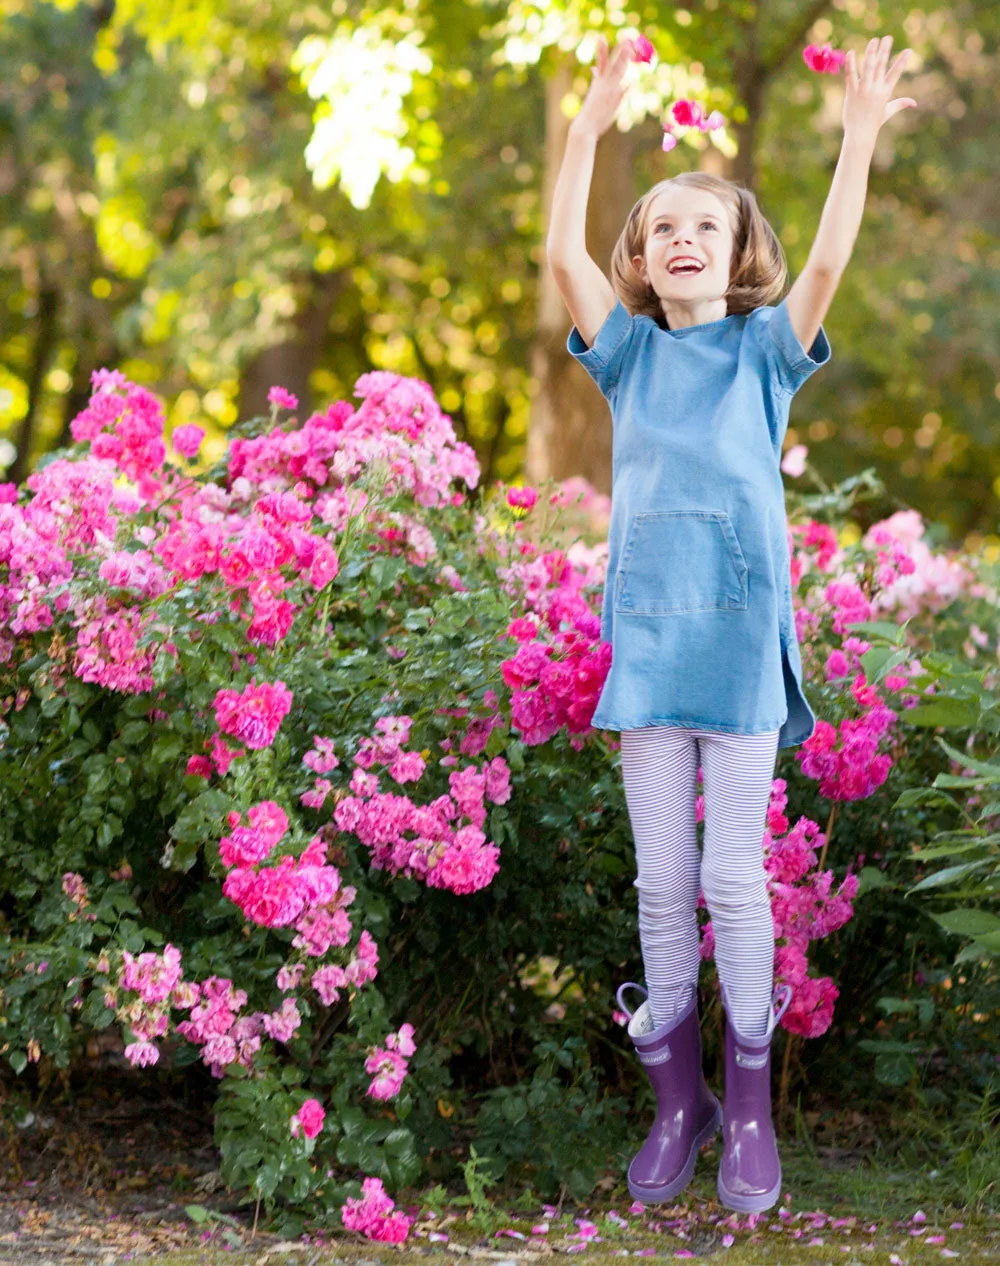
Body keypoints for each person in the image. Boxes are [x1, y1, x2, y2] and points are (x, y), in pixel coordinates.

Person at [545, 33, 916, 1212]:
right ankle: (678, 1104)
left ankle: (749, 1107)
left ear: (737, 252)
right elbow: (560, 250)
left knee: (731, 877)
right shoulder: (626, 359)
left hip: (742, 659)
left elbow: (829, 259)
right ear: (644, 265)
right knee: (661, 885)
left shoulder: (765, 353)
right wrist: (587, 128)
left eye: (705, 225)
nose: (683, 239)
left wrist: (855, 136)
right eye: (662, 230)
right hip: (650, 658)